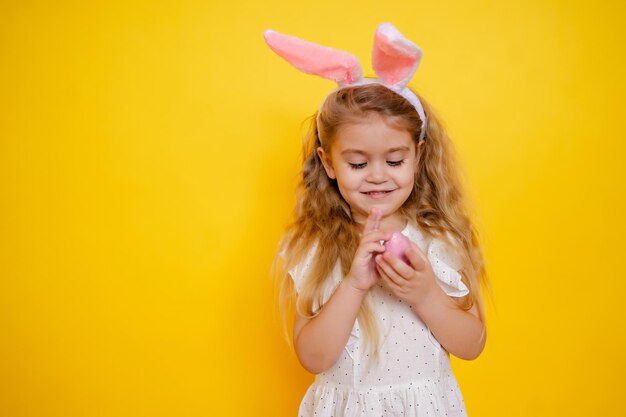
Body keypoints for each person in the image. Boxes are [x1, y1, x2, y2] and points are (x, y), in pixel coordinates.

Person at [265, 23, 490, 417]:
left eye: (394, 160)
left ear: (418, 157)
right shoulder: (315, 246)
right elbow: (313, 358)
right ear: (328, 163)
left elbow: (471, 345)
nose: (377, 175)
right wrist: (354, 283)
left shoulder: (438, 239)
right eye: (357, 162)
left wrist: (425, 294)